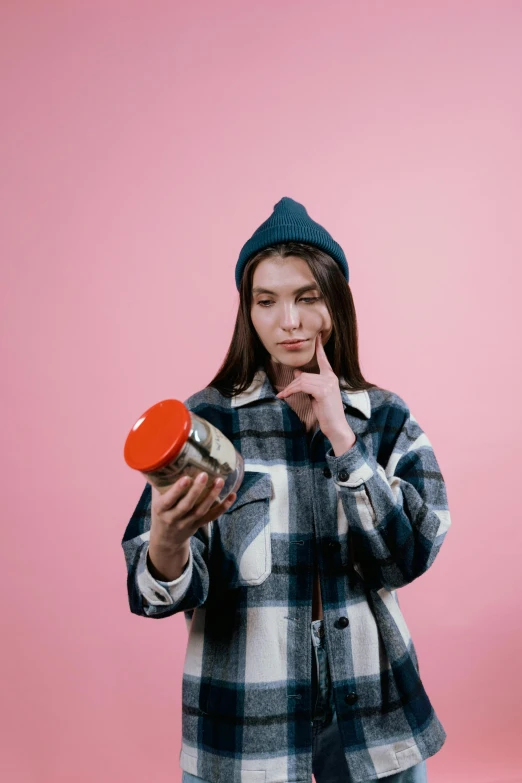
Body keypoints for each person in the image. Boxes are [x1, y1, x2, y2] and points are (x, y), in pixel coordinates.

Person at [121, 197, 451, 783]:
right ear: (248, 312)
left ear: (335, 303)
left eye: (307, 297)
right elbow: (157, 593)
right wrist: (167, 543)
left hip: (375, 717)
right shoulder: (204, 425)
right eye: (266, 302)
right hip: (248, 722)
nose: (289, 322)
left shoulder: (386, 418)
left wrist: (343, 438)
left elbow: (408, 558)